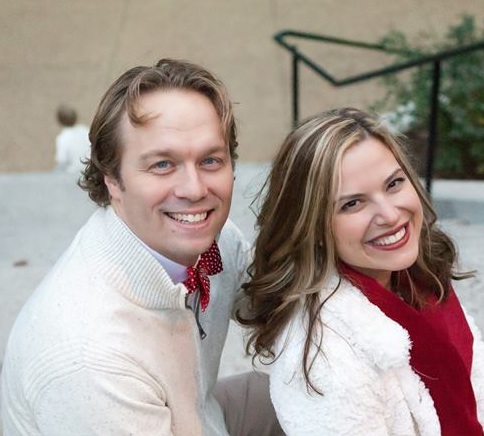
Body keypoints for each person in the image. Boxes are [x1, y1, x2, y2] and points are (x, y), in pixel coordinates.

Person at [2, 59, 281, 435]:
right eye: (163, 165)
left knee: (303, 399)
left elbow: (272, 305)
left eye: (210, 160)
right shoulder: (92, 361)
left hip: (195, 414)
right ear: (113, 180)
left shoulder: (209, 237)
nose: (195, 189)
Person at [239, 107, 484, 435]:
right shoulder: (324, 357)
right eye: (352, 203)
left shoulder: (414, 279)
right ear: (310, 226)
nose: (389, 214)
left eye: (394, 183)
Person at [54, 104, 91, 174]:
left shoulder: (62, 138)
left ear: (60, 120)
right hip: (88, 170)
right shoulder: (85, 130)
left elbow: (61, 161)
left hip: (72, 174)